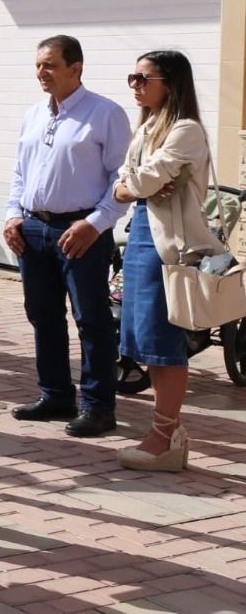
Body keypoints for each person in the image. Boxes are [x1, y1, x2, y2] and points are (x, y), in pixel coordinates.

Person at [3, 35, 129, 438]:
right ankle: (56, 394)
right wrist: (12, 215)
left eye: (50, 65)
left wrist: (96, 223)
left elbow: (121, 179)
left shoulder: (105, 114)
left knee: (91, 320)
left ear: (76, 68)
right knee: (43, 316)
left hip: (81, 232)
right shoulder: (34, 115)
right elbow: (20, 174)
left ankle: (98, 407)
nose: (42, 73)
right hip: (33, 229)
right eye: (39, 65)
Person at [111, 51, 221, 471]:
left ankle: (165, 436)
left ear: (170, 83)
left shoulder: (186, 129)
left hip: (167, 246)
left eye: (143, 78)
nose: (135, 85)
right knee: (145, 340)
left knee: (163, 341)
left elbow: (141, 180)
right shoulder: (147, 128)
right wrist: (135, 186)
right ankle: (165, 432)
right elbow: (127, 179)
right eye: (132, 77)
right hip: (141, 235)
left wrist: (136, 185)